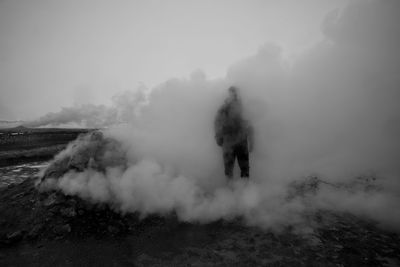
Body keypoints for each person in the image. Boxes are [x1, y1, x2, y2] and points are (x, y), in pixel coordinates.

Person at [214, 86, 254, 179]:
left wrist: (252, 141)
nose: (234, 95)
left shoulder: (243, 107)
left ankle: (245, 191)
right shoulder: (223, 108)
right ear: (229, 94)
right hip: (228, 141)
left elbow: (249, 124)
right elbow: (217, 122)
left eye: (235, 93)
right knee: (228, 169)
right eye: (232, 93)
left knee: (244, 169)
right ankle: (229, 191)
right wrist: (218, 136)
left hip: (241, 141)